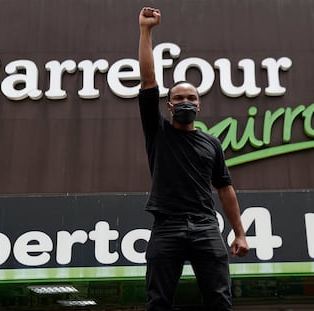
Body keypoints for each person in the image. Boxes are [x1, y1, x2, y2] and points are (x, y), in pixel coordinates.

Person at [138, 7, 249, 311]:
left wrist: (239, 233)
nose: (185, 102)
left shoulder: (211, 143)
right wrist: (146, 31)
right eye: (178, 99)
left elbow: (225, 189)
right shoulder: (158, 132)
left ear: (199, 106)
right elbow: (148, 81)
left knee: (220, 300)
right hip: (167, 226)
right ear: (169, 106)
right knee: (158, 301)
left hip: (205, 227)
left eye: (191, 98)